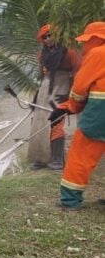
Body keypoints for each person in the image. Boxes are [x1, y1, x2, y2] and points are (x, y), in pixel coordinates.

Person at [51, 21, 105, 209]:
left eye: (86, 41)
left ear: (97, 39)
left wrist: (69, 107)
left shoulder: (98, 54)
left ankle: (70, 201)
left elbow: (80, 88)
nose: (83, 45)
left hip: (100, 114)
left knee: (81, 155)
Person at [30, 24, 82, 170]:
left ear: (57, 35)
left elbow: (78, 72)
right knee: (39, 123)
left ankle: (57, 160)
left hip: (62, 87)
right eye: (44, 37)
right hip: (45, 88)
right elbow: (42, 75)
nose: (47, 39)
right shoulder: (42, 54)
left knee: (56, 122)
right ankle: (40, 158)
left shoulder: (70, 51)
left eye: (50, 35)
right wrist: (37, 95)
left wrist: (70, 94)